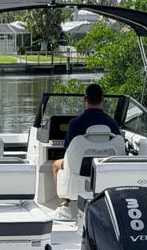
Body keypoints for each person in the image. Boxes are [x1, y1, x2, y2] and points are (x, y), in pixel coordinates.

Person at [52, 83, 121, 221]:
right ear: (102, 100)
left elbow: (69, 151)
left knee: (55, 165)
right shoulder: (112, 124)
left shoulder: (74, 124)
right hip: (104, 170)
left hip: (80, 170)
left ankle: (65, 206)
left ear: (85, 99)